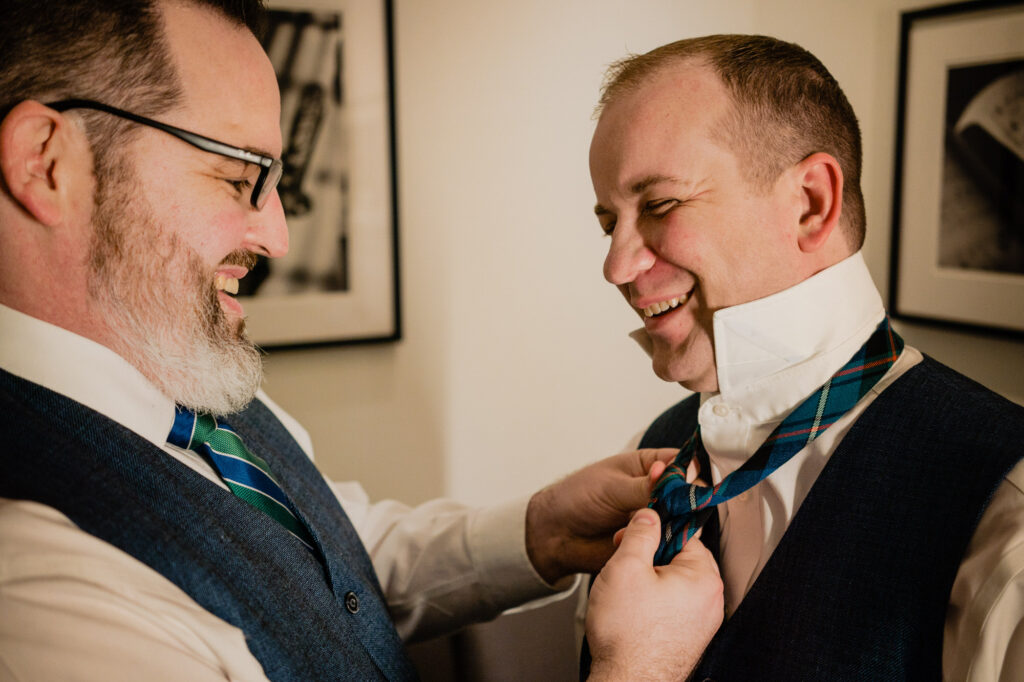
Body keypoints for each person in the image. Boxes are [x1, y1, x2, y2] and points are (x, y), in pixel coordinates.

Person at [0, 2, 723, 679]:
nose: (276, 236)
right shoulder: (31, 577)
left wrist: (541, 533)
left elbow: (335, 564)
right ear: (46, 162)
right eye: (235, 177)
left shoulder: (181, 370)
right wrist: (641, 667)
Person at [586, 34, 1024, 680]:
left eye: (660, 205)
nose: (616, 265)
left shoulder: (1006, 516)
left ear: (811, 204)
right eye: (608, 222)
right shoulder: (654, 456)